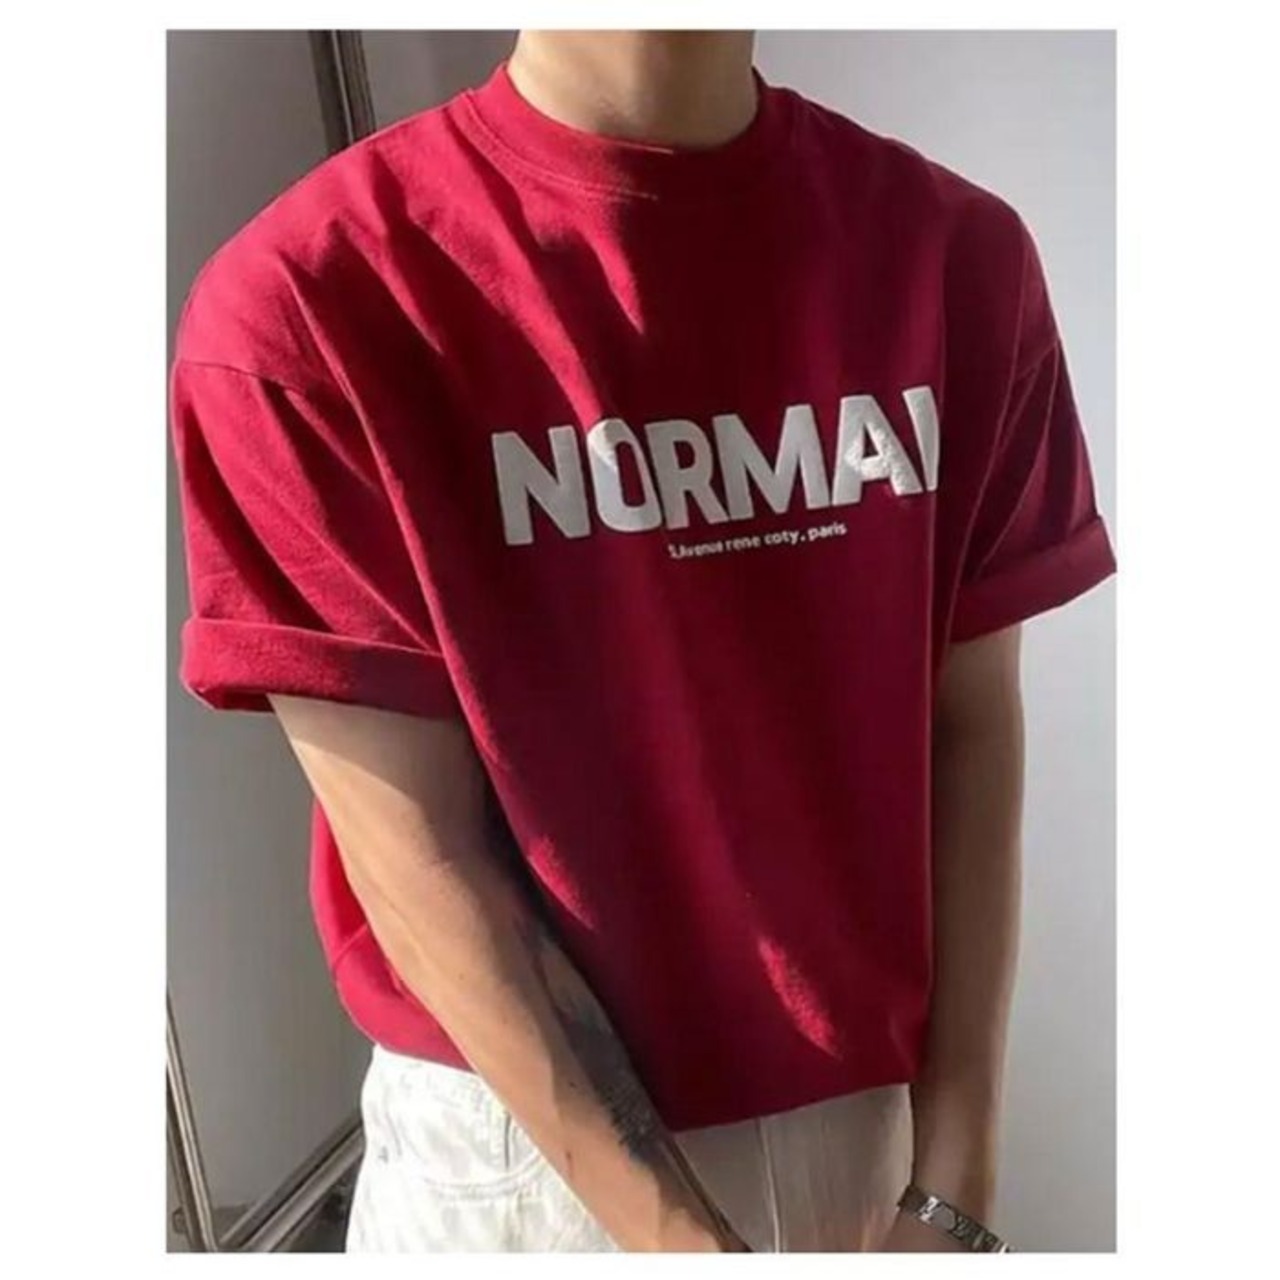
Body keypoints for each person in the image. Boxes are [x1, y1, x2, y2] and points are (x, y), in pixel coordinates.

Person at [169, 29, 1116, 1252]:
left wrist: (956, 1181)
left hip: (870, 1136)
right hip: (521, 1162)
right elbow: (414, 853)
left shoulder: (953, 257)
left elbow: (969, 726)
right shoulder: (309, 298)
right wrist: (680, 1242)